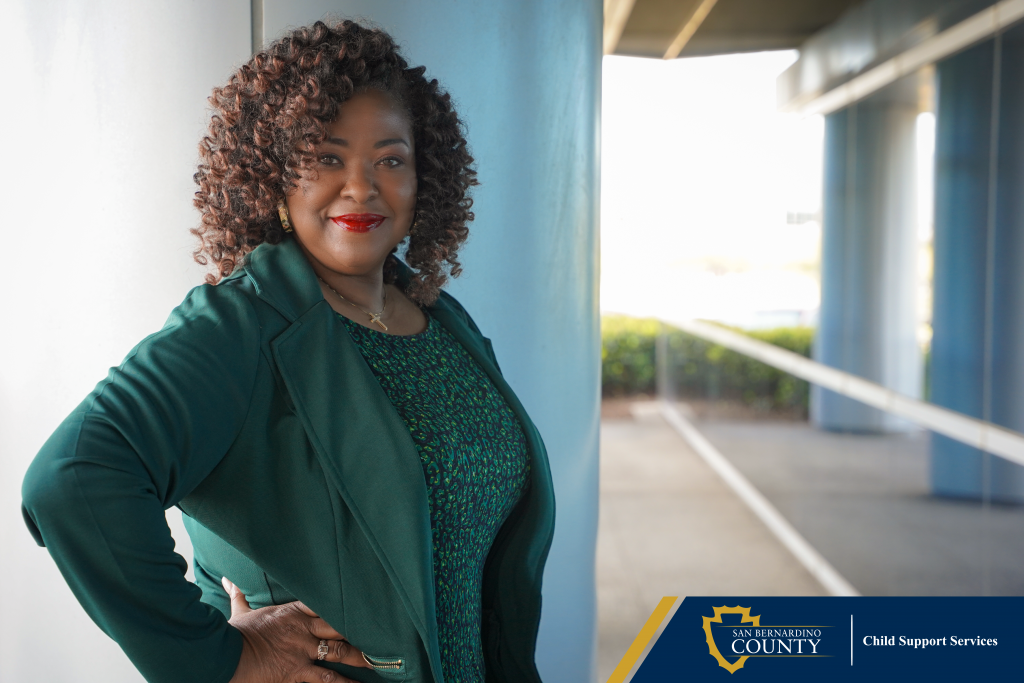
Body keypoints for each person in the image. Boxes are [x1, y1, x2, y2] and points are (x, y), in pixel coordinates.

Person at [21, 20, 555, 683]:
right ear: (273, 177)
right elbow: (71, 479)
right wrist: (219, 660)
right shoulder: (240, 326)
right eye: (327, 157)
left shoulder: (444, 321)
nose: (361, 186)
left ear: (425, 180)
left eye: (391, 159)